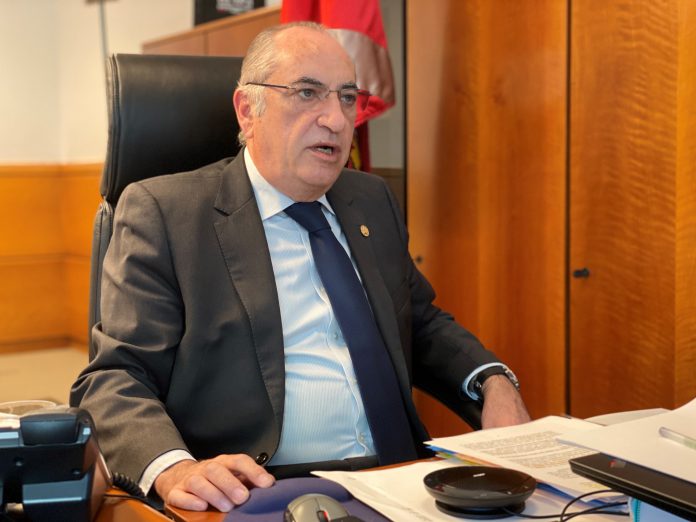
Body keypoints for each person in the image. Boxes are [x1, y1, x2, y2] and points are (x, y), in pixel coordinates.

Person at [70, 22, 530, 513]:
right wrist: (175, 468)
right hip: (261, 490)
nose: (335, 119)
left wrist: (493, 380)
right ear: (247, 111)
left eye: (347, 98)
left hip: (400, 478)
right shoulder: (167, 214)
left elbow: (419, 322)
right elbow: (116, 378)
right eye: (307, 93)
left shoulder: (370, 199)